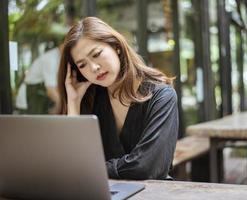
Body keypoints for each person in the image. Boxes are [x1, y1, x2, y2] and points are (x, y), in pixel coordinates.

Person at [57, 17, 178, 180]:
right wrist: (73, 102)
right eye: (82, 65)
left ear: (116, 47)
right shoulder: (91, 99)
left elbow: (146, 167)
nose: (94, 67)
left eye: (96, 54)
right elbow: (70, 163)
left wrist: (92, 169)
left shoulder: (162, 96)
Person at [16, 47, 61, 114]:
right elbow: (50, 89)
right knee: (34, 123)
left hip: (38, 94)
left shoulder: (58, 57)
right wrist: (61, 104)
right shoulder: (51, 58)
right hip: (31, 94)